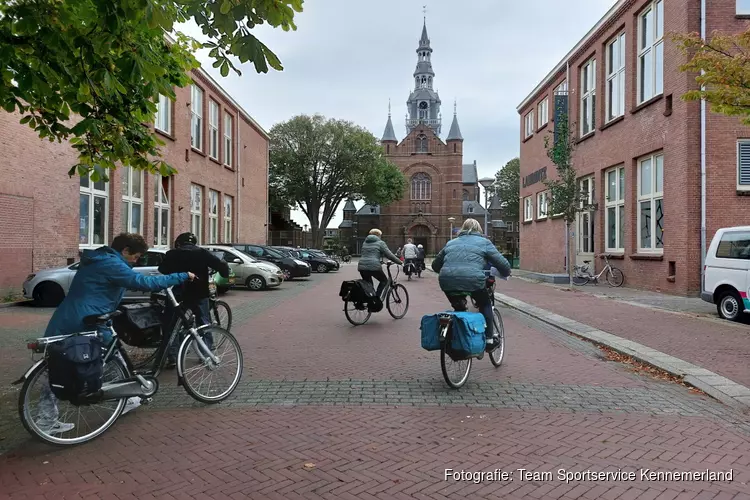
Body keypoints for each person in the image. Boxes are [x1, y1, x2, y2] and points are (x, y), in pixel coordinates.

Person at [41, 233, 195, 434]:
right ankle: (126, 398)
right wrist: (182, 276)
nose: (136, 260)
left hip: (68, 316)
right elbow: (141, 283)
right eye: (136, 256)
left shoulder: (100, 259)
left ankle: (45, 419)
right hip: (87, 320)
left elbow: (104, 288)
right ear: (125, 250)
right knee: (109, 358)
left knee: (52, 367)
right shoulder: (111, 264)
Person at [432, 218, 511, 352]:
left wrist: (450, 272)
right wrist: (505, 272)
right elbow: (504, 265)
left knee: (459, 307)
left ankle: (458, 337)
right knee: (485, 304)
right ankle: (489, 340)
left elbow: (435, 266)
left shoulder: (451, 243)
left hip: (446, 280)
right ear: (479, 229)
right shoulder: (484, 242)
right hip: (473, 279)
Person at [158, 232, 230, 368]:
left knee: (171, 323)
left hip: (177, 293)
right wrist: (224, 273)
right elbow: (220, 265)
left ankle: (172, 355)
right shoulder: (202, 253)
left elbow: (162, 270)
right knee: (204, 321)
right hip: (198, 293)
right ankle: (206, 353)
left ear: (179, 242)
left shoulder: (172, 254)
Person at [358, 228, 402, 301]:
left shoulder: (365, 242)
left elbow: (369, 254)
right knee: (384, 281)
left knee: (369, 285)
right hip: (374, 266)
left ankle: (369, 301)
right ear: (378, 235)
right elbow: (389, 255)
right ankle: (376, 300)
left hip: (362, 266)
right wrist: (400, 262)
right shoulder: (380, 243)